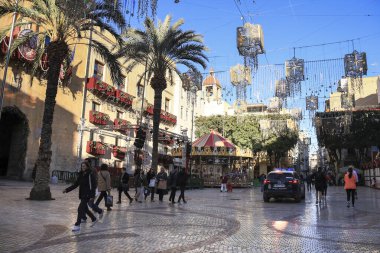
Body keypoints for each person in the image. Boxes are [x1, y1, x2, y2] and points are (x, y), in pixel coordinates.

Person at [63, 161, 103, 232]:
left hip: (87, 195)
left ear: (87, 166)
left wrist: (92, 196)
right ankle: (93, 218)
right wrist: (67, 190)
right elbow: (75, 184)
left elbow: (93, 186)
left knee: (80, 209)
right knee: (85, 209)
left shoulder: (90, 174)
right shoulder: (81, 174)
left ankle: (77, 225)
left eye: (84, 166)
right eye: (82, 166)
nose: (83, 167)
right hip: (82, 194)